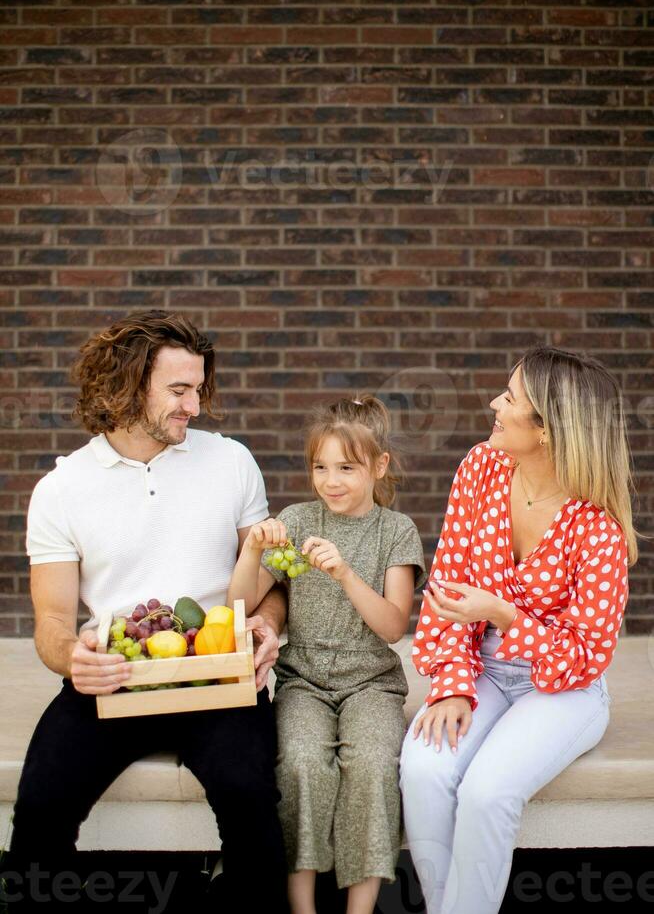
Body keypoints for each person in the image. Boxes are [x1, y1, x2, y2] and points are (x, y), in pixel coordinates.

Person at [8, 310, 290, 912]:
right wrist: (73, 660)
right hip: (117, 675)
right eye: (179, 390)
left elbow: (270, 578)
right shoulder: (62, 489)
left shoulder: (231, 461)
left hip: (219, 673)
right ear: (128, 385)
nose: (194, 405)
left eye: (198, 388)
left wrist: (267, 624)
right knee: (38, 812)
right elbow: (53, 621)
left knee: (251, 802)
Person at [400, 346, 636, 914]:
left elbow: (584, 655)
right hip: (479, 665)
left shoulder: (596, 529)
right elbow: (448, 583)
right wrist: (454, 681)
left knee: (487, 792)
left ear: (549, 430)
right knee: (425, 768)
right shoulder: (482, 467)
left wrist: (506, 617)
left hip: (563, 688)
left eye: (510, 399)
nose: (493, 404)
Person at [227, 395, 428, 914]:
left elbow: (391, 626)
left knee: (374, 764)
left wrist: (344, 573)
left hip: (372, 684)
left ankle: (360, 908)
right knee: (299, 764)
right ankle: (303, 906)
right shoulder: (296, 520)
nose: (331, 480)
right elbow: (238, 605)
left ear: (379, 466)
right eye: (321, 466)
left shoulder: (395, 530)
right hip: (304, 682)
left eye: (346, 467)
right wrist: (252, 551)